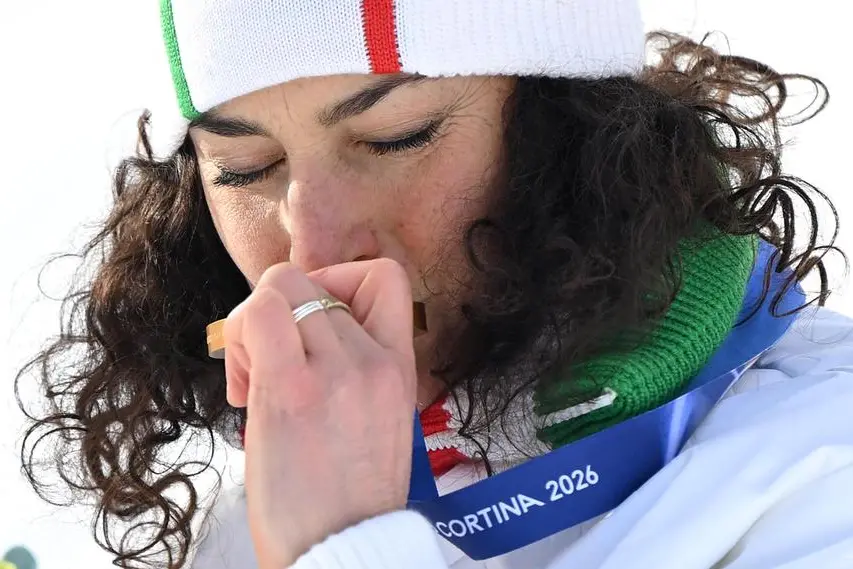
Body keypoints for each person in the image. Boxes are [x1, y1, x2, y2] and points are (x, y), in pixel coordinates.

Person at [16, 1, 853, 568]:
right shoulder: (245, 522)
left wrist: (345, 543)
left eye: (395, 137)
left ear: (576, 128)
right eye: (245, 169)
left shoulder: (820, 457)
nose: (311, 250)